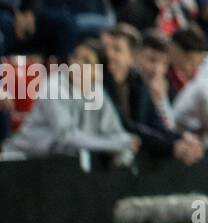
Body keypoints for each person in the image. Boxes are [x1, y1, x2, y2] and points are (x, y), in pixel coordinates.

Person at [1, 38, 138, 161]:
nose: (77, 64)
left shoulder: (98, 93)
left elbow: (115, 131)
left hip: (57, 168)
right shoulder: (54, 87)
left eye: (87, 61)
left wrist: (123, 144)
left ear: (98, 71)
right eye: (75, 58)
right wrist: (119, 144)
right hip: (21, 160)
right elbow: (67, 137)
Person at [101, 23, 204, 164]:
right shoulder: (101, 83)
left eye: (164, 64)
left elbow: (156, 124)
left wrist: (182, 138)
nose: (157, 70)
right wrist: (172, 146)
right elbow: (126, 126)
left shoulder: (138, 83)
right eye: (151, 60)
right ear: (135, 57)